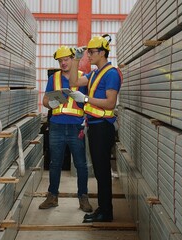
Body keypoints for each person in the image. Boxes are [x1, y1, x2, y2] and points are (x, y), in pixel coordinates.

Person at [68, 35, 122, 223]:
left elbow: (110, 103)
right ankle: (103, 209)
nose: (89, 55)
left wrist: (86, 99)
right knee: (100, 171)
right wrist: (76, 58)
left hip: (103, 129)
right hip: (95, 126)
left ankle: (106, 212)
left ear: (102, 52)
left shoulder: (111, 74)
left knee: (102, 171)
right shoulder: (95, 74)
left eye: (91, 52)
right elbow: (74, 81)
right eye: (88, 52)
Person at [39, 46, 93, 213]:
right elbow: (45, 101)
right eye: (60, 61)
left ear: (72, 59)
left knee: (81, 165)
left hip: (76, 126)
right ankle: (52, 196)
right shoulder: (54, 78)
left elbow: (91, 100)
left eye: (66, 59)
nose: (63, 63)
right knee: (55, 163)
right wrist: (52, 102)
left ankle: (83, 197)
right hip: (56, 125)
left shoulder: (83, 77)